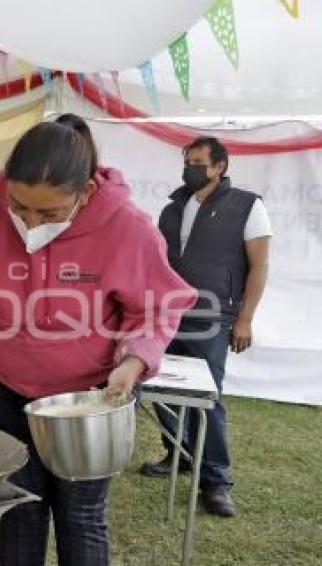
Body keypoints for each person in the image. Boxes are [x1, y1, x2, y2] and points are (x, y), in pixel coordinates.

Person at [0, 120, 196, 565]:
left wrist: (131, 364)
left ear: (86, 193)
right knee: (20, 507)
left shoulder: (126, 227)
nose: (30, 224)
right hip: (9, 388)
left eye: (49, 214)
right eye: (19, 207)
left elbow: (154, 308)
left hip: (89, 398)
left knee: (81, 513)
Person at [141, 136, 272, 518]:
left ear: (220, 167)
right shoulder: (172, 207)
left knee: (205, 398)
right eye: (187, 161)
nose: (190, 168)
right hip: (167, 314)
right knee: (159, 386)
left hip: (213, 317)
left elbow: (260, 266)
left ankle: (216, 481)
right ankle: (179, 453)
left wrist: (245, 318)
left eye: (198, 162)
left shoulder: (248, 206)